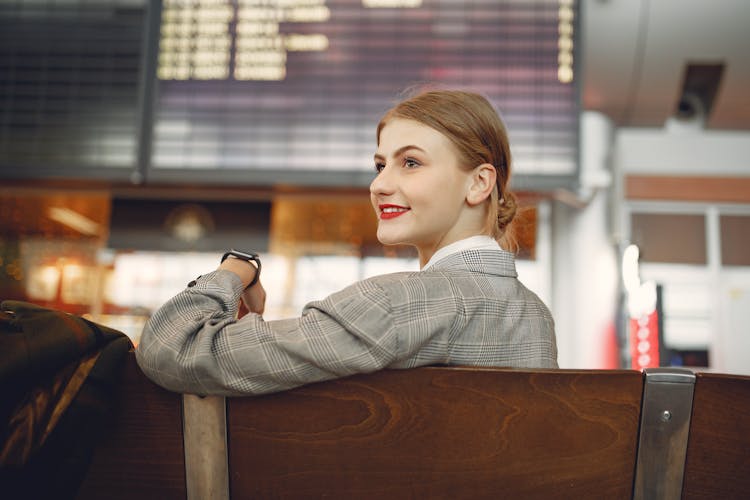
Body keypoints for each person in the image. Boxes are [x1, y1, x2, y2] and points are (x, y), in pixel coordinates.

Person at [136, 89, 557, 396]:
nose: (379, 184)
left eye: (410, 163)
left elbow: (173, 349)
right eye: (379, 165)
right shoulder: (536, 317)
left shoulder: (397, 303)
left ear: (480, 182)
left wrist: (235, 269)